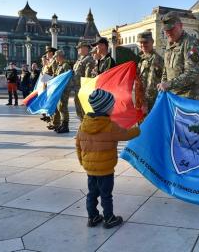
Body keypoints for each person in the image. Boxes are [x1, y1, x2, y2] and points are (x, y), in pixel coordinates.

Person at [76, 89, 140, 228]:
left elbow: (78, 146)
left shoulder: (83, 125)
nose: (113, 108)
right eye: (112, 106)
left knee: (92, 193)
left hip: (90, 169)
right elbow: (126, 134)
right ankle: (109, 218)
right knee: (106, 195)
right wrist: (139, 128)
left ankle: (92, 218)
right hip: (105, 169)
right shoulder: (110, 126)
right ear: (106, 108)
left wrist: (84, 163)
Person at [157, 11, 199, 100]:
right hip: (174, 96)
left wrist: (169, 84)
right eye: (165, 30)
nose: (168, 33)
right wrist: (163, 84)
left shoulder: (191, 44)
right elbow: (165, 69)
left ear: (180, 26)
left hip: (190, 97)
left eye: (171, 29)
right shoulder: (169, 44)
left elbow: (192, 73)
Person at [136, 30, 164, 113]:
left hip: (151, 103)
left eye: (145, 42)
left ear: (152, 42)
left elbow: (151, 84)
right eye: (141, 43)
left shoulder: (155, 59)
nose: (143, 45)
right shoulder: (142, 58)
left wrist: (145, 103)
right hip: (142, 100)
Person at [49, 50, 71, 133]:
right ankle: (62, 124)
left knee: (63, 106)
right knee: (60, 107)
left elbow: (67, 77)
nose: (55, 58)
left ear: (60, 56)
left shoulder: (65, 65)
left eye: (56, 57)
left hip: (64, 89)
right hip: (59, 89)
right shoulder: (59, 65)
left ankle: (66, 126)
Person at [73, 41, 95, 121]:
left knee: (84, 109)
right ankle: (83, 125)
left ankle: (87, 127)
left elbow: (88, 76)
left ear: (86, 48)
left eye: (80, 47)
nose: (78, 49)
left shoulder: (89, 59)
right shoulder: (79, 60)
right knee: (78, 109)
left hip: (83, 89)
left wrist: (85, 89)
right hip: (77, 88)